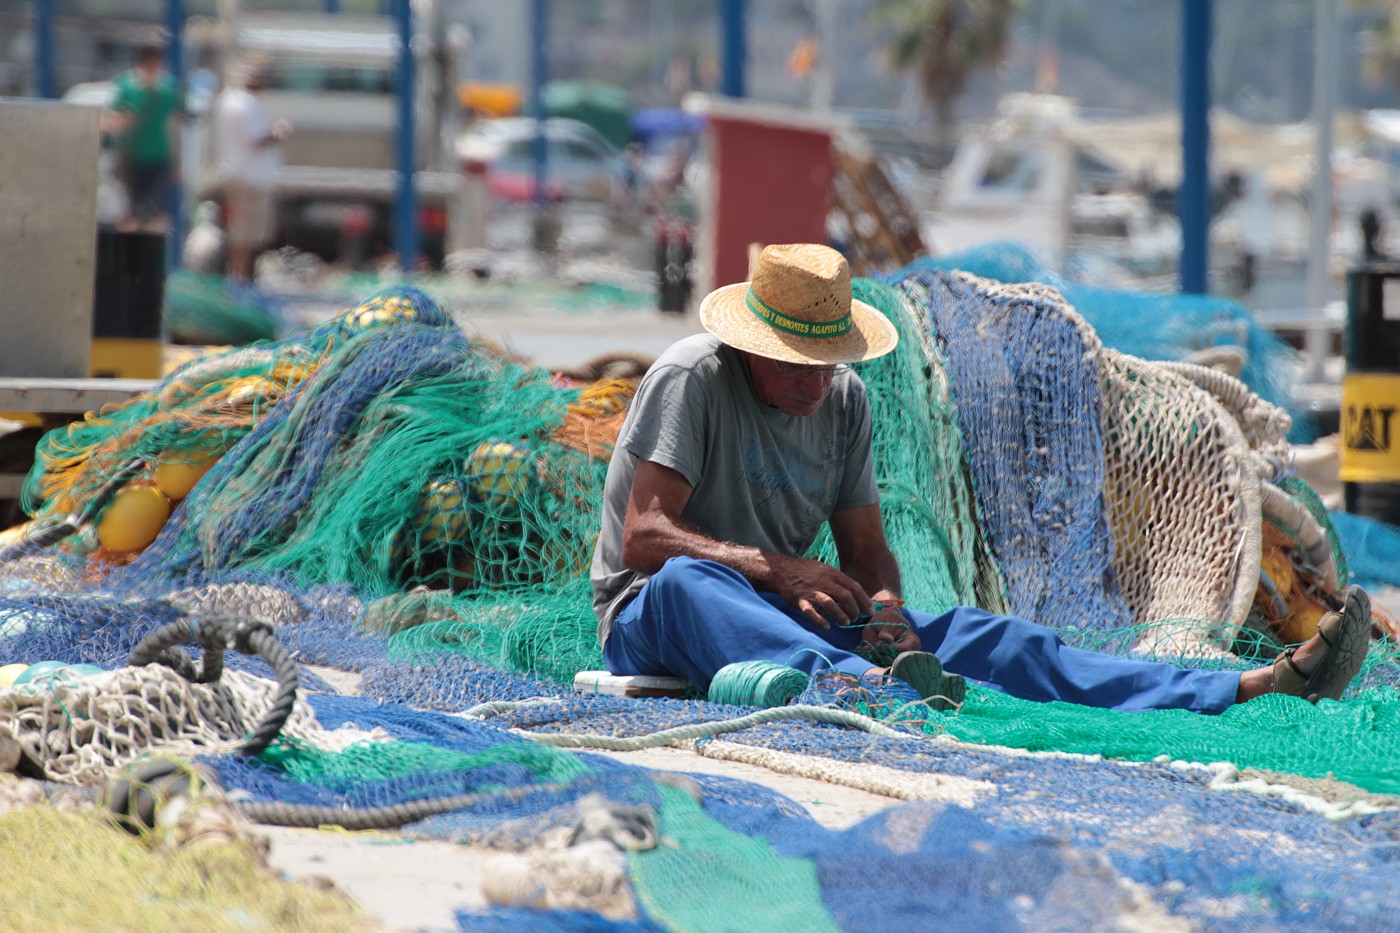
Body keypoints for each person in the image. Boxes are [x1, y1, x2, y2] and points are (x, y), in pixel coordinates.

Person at [590, 243, 1373, 714]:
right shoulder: (692, 377)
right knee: (696, 582)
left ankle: (1241, 689)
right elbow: (646, 537)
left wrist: (885, 605)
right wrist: (778, 567)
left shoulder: (846, 402)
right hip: (653, 617)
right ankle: (870, 691)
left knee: (986, 634)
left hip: (784, 618)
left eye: (829, 364)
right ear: (754, 345)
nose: (816, 383)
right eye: (799, 366)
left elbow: (866, 548)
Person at [212, 59, 292, 284]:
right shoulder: (244, 104)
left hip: (240, 174)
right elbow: (256, 139)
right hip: (249, 178)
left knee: (245, 233)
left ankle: (240, 279)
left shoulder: (229, 100)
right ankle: (240, 281)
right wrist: (278, 132)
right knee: (246, 235)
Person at [107, 41, 183, 233]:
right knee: (132, 212)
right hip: (133, 157)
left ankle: (154, 257)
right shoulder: (126, 86)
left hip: (160, 157)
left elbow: (175, 124)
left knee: (158, 212)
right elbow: (113, 119)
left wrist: (177, 163)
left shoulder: (168, 88)